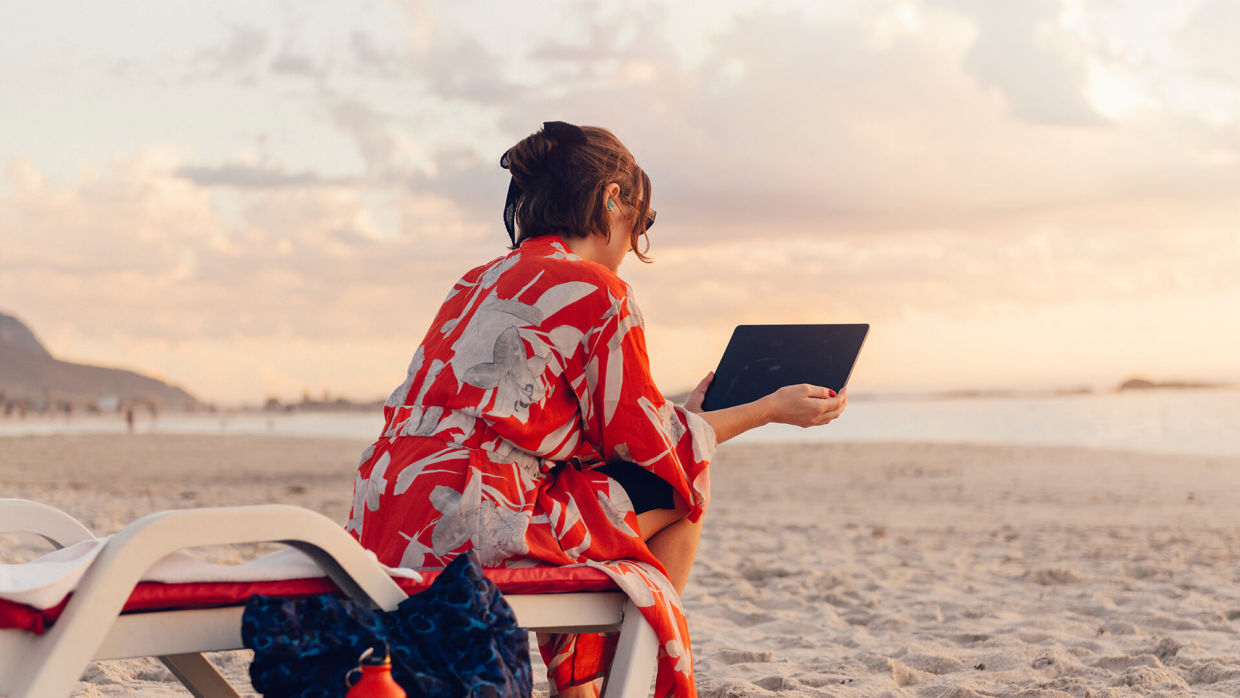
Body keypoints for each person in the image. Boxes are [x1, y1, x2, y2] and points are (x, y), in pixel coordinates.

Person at [347, 121, 847, 698]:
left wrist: (685, 415)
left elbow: (546, 430)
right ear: (614, 199)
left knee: (620, 480)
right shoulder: (595, 289)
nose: (637, 240)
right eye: (644, 220)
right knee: (685, 486)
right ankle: (615, 683)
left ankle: (581, 687)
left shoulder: (474, 282)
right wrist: (767, 409)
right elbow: (655, 453)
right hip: (471, 523)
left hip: (382, 518)